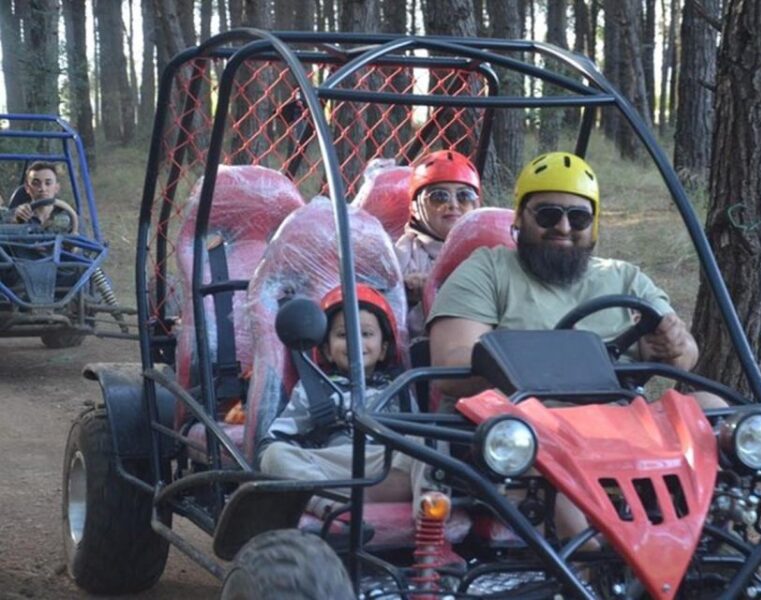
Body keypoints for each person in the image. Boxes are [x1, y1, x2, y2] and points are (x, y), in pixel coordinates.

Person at [427, 151, 725, 542]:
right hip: (515, 433)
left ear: (594, 224)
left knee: (714, 411)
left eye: (579, 217)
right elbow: (453, 366)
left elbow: (684, 357)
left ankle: (719, 551)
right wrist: (573, 361)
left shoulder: (624, 278)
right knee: (556, 458)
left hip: (615, 427)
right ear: (520, 218)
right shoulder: (487, 270)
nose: (563, 227)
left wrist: (673, 346)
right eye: (547, 215)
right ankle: (592, 570)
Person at [259, 284, 425, 520]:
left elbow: (414, 437)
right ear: (326, 350)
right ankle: (332, 504)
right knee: (273, 455)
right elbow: (276, 439)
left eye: (366, 334)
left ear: (383, 348)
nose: (355, 342)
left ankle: (430, 514)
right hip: (335, 464)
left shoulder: (399, 389)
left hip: (384, 464)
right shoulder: (313, 388)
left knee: (430, 438)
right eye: (343, 335)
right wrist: (307, 459)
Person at [395, 150, 481, 338]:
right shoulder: (402, 255)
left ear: (477, 206)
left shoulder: (488, 250)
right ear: (416, 208)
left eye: (464, 196)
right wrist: (407, 293)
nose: (453, 205)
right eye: (439, 197)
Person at [10, 161, 78, 234]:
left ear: (56, 188)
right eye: (36, 183)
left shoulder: (69, 216)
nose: (42, 188)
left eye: (48, 183)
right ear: (27, 188)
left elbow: (78, 241)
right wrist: (16, 220)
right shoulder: (18, 214)